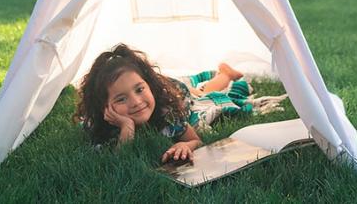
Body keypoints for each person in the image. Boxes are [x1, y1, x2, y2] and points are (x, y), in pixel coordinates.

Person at [75, 43, 250, 164]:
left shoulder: (167, 110)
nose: (136, 102)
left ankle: (225, 75)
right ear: (104, 106)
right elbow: (117, 162)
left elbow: (196, 140)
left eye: (139, 89)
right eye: (121, 99)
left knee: (202, 94)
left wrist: (184, 144)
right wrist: (126, 127)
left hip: (176, 92)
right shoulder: (98, 124)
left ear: (149, 85)